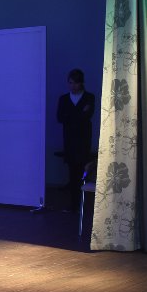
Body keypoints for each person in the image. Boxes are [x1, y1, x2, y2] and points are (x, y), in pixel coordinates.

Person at [56, 69, 96, 210]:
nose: (72, 86)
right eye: (70, 83)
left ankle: (82, 203)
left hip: (83, 139)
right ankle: (74, 204)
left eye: (75, 83)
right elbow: (60, 117)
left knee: (82, 169)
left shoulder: (89, 97)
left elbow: (87, 116)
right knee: (72, 171)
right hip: (70, 140)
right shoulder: (64, 99)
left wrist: (71, 116)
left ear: (81, 83)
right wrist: (80, 113)